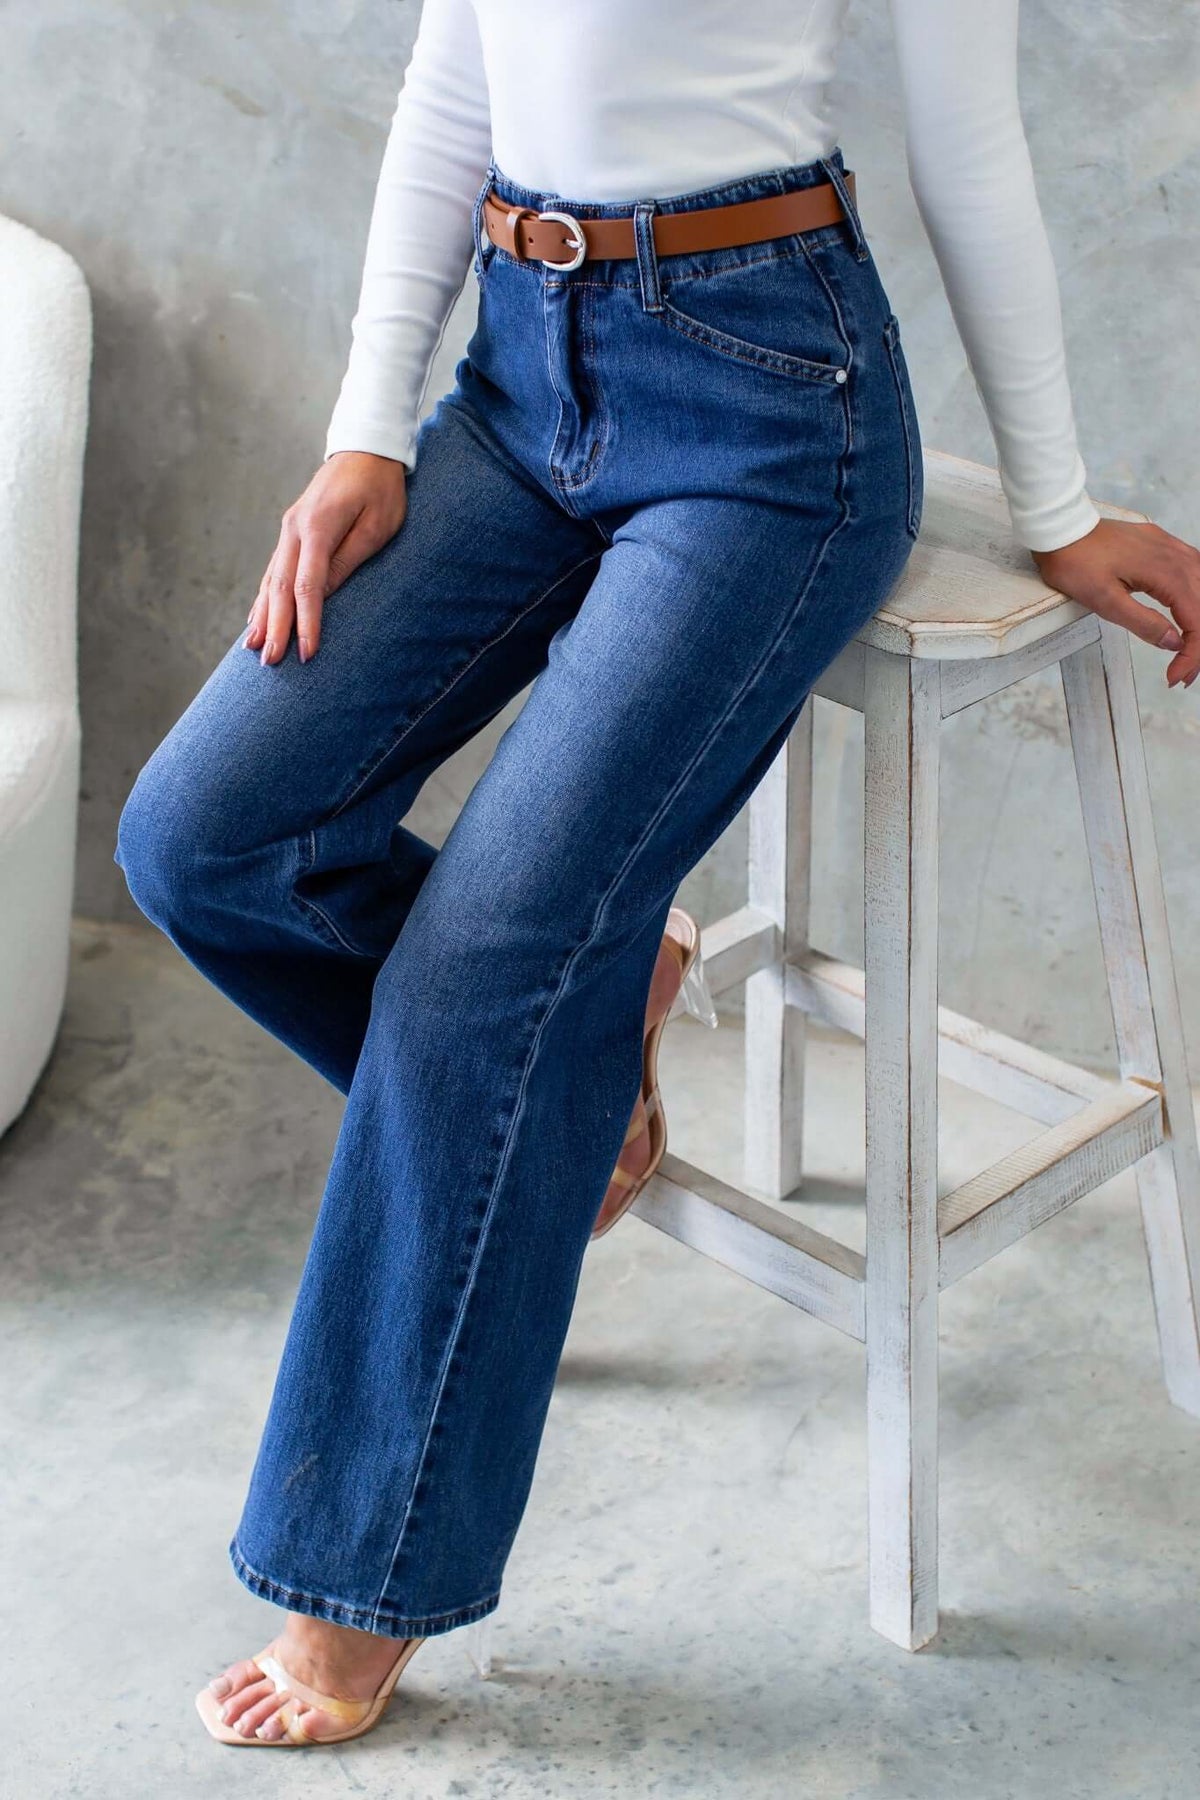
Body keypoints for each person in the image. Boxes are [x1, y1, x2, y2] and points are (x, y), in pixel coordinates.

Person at [115, 0, 1200, 1751]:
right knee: (201, 834)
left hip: (774, 418)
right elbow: (455, 76)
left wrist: (1064, 506)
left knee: (483, 974)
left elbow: (969, 149)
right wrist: (364, 429)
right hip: (519, 374)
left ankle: (359, 1583)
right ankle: (585, 1044)